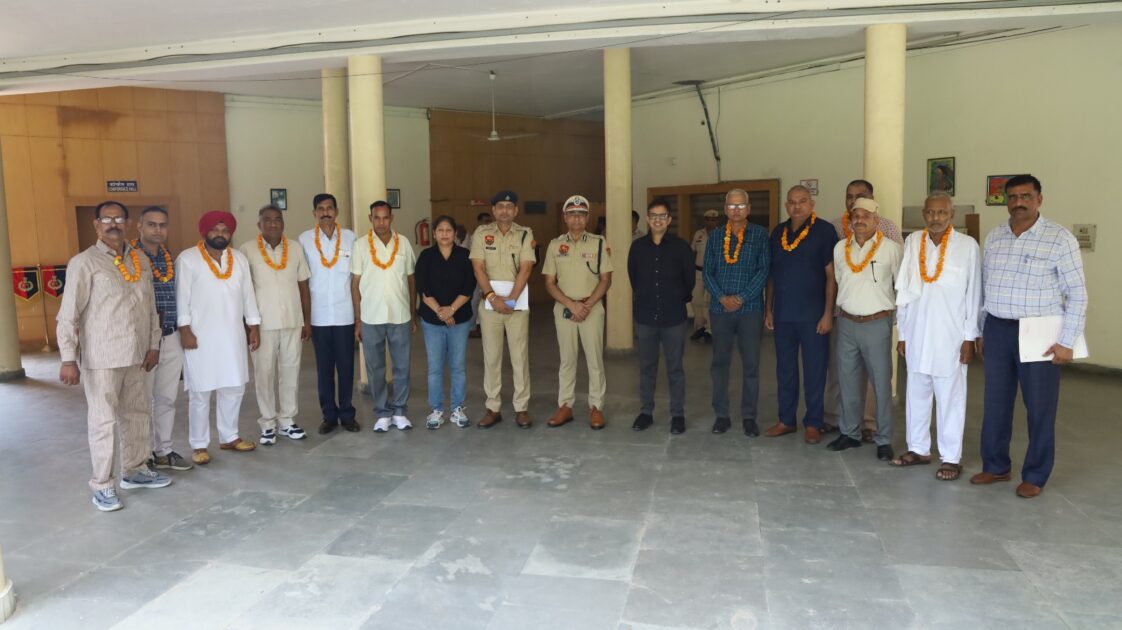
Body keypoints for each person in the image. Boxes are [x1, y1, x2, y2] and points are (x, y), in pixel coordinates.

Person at [972, 174, 1087, 498]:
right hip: (998, 329)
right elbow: (986, 287)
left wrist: (1067, 341)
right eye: (1012, 197)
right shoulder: (995, 236)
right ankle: (996, 466)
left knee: (1039, 407)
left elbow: (1077, 293)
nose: (1018, 202)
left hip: (1040, 332)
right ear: (1006, 201)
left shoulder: (1059, 239)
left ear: (1039, 199)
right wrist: (982, 330)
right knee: (995, 402)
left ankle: (1035, 474)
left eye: (1026, 196)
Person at [57, 201, 171, 511]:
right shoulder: (84, 263)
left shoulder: (139, 260)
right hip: (103, 357)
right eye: (106, 219)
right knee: (103, 422)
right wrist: (68, 358)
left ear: (128, 223)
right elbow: (68, 314)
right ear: (96, 224)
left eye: (118, 218)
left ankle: (134, 470)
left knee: (137, 414)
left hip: (137, 355)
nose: (113, 224)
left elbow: (150, 308)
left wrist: (153, 345)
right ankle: (102, 484)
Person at [892, 192, 981, 480]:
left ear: (951, 214)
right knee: (916, 394)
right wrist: (903, 333)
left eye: (942, 212)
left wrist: (969, 337)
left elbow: (973, 294)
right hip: (917, 333)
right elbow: (904, 290)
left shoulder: (967, 246)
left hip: (950, 337)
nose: (936, 218)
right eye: (930, 212)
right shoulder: (912, 241)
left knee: (950, 399)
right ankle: (918, 449)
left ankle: (951, 458)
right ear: (924, 214)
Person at [177, 211, 262, 464]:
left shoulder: (239, 259)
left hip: (232, 335)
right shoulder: (188, 259)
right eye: (215, 230)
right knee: (200, 392)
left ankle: (229, 436)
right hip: (199, 336)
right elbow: (182, 296)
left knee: (233, 387)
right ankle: (199, 445)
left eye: (225, 231)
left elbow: (248, 294)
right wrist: (185, 329)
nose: (220, 234)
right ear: (205, 231)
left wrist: (253, 325)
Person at [825, 179, 905, 441]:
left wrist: (898, 324)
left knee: (880, 383)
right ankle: (849, 432)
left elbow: (901, 286)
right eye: (855, 215)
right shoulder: (840, 248)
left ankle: (882, 437)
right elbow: (838, 281)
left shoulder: (891, 248)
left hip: (877, 323)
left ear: (876, 219)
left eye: (866, 216)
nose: (859, 220)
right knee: (846, 379)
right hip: (846, 322)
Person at [763, 185, 838, 444]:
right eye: (792, 202)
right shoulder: (778, 232)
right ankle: (786, 420)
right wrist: (769, 309)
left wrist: (828, 314)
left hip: (813, 315)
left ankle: (813, 422)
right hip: (783, 314)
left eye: (802, 201)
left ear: (812, 204)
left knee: (815, 370)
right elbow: (772, 275)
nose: (797, 206)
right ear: (786, 205)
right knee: (785, 368)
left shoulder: (825, 231)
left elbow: (831, 276)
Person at [239, 205, 312, 445]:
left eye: (277, 219)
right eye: (267, 220)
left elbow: (303, 286)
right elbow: (243, 292)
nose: (272, 224)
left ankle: (287, 421)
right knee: (264, 374)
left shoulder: (295, 248)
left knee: (291, 372)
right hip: (262, 324)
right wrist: (249, 326)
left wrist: (307, 320)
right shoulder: (247, 250)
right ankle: (268, 424)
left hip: (292, 320)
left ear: (283, 223)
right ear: (259, 224)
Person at [542, 195, 613, 430]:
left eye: (581, 214)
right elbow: (549, 282)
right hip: (565, 309)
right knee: (567, 359)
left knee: (595, 360)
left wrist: (587, 305)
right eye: (572, 214)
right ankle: (565, 405)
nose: (576, 218)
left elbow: (605, 280)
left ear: (587, 218)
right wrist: (571, 305)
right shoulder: (555, 245)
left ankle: (596, 407)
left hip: (592, 308)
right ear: (565, 217)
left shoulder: (598, 243)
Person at [703, 188, 770, 437]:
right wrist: (722, 297)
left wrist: (741, 298)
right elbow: (707, 271)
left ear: (749, 208)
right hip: (719, 310)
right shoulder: (715, 236)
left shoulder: (760, 235)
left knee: (751, 364)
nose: (736, 210)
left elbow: (763, 270)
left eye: (741, 205)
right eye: (732, 206)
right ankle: (721, 415)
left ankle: (749, 417)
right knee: (720, 363)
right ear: (725, 209)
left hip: (750, 310)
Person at [470, 190, 536, 428]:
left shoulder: (525, 234)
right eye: (500, 206)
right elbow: (478, 267)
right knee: (492, 357)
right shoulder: (481, 234)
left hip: (516, 306)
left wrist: (511, 299)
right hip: (490, 307)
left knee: (519, 357)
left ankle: (521, 408)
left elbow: (526, 268)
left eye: (509, 206)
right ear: (493, 210)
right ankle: (493, 407)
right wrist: (492, 297)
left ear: (516, 210)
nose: (505, 210)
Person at [628, 197, 695, 434]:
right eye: (653, 216)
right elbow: (634, 278)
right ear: (648, 219)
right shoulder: (638, 247)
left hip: (673, 318)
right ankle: (646, 412)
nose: (658, 220)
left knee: (675, 369)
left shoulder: (681, 247)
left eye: (662, 216)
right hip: (645, 317)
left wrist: (675, 298)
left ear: (669, 219)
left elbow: (689, 281)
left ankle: (677, 415)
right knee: (647, 367)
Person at [134, 206, 192, 471]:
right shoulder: (131, 258)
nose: (158, 229)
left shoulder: (169, 258)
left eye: (162, 225)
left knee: (167, 397)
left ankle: (163, 451)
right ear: (140, 227)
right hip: (145, 341)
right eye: (151, 224)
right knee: (142, 401)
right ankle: (142, 454)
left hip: (171, 336)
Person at [352, 200, 417, 432]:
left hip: (400, 315)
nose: (381, 222)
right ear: (370, 219)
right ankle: (382, 412)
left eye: (385, 217)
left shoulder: (404, 243)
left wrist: (413, 313)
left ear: (391, 218)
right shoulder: (360, 245)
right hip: (371, 316)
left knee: (402, 366)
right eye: (376, 217)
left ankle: (399, 411)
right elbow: (355, 284)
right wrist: (358, 320)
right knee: (375, 368)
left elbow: (411, 279)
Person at [298, 193, 359, 434]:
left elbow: (356, 280)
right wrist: (305, 319)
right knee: (324, 370)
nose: (325, 213)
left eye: (330, 208)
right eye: (321, 209)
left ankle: (347, 414)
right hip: (319, 316)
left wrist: (358, 318)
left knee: (346, 368)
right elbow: (302, 282)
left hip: (345, 314)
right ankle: (329, 416)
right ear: (314, 213)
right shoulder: (304, 240)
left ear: (336, 211)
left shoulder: (351, 238)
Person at [415, 215, 476, 429]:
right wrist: (442, 313)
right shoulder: (426, 256)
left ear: (455, 233)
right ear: (434, 234)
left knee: (458, 366)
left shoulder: (465, 256)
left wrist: (451, 310)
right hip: (432, 321)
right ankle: (436, 410)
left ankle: (457, 408)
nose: (444, 234)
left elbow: (469, 287)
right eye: (440, 230)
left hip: (459, 319)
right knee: (435, 367)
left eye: (448, 230)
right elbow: (423, 289)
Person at [690, 209, 720, 342]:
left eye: (713, 220)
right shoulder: (698, 234)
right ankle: (699, 327)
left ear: (717, 221)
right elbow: (692, 251)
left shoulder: (722, 235)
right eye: (708, 220)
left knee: (710, 302)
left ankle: (710, 330)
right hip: (698, 272)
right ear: (705, 221)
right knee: (696, 300)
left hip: (713, 273)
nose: (710, 222)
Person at [465, 211, 492, 339]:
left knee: (489, 300)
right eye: (486, 221)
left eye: (489, 221)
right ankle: (472, 328)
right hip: (476, 273)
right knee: (475, 300)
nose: (488, 223)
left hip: (490, 274)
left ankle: (486, 327)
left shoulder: (493, 235)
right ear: (479, 222)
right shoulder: (475, 236)